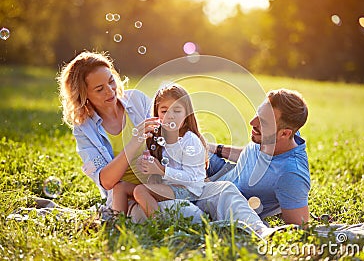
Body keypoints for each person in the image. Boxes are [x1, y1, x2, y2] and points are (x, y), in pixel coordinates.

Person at [57, 51, 270, 237]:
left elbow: (173, 125)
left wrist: (200, 148)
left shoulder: (136, 101)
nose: (111, 91)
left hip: (171, 182)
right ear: (84, 95)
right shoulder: (85, 129)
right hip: (135, 197)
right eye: (100, 89)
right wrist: (134, 142)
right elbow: (106, 181)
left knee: (224, 189)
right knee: (178, 212)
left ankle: (260, 230)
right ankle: (202, 223)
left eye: (111, 81)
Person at [207, 88, 310, 226]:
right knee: (187, 143)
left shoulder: (291, 174)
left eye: (263, 122)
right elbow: (251, 156)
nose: (252, 122)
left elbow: (299, 226)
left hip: (223, 200)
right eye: (258, 114)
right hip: (222, 174)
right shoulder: (273, 137)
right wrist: (214, 148)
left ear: (285, 134)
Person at [117, 84, 208, 217]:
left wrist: (161, 170)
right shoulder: (157, 137)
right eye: (164, 111)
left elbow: (192, 178)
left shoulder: (189, 140)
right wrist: (143, 164)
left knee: (140, 191)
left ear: (187, 113)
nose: (170, 116)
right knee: (120, 187)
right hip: (167, 187)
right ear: (157, 114)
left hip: (188, 190)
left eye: (177, 111)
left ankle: (159, 225)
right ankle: (114, 225)